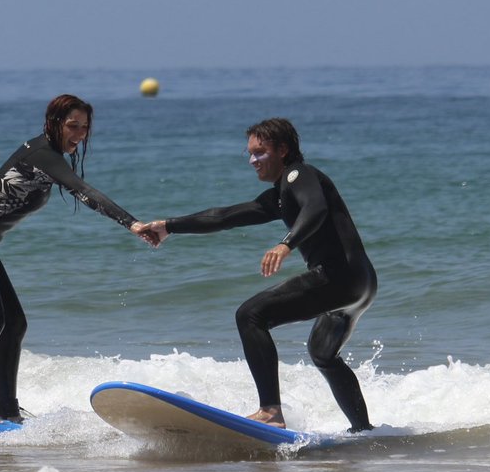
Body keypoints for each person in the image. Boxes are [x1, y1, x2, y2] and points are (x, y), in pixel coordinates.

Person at [133, 118, 377, 432]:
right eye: (250, 154)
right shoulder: (280, 196)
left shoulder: (299, 174)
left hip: (339, 277)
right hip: (361, 284)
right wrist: (169, 226)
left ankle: (270, 412)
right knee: (323, 353)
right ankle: (364, 431)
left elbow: (315, 210)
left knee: (251, 315)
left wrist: (285, 244)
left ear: (283, 150)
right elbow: (224, 217)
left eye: (260, 152)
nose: (252, 161)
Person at [0, 94, 156, 423]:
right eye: (73, 126)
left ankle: (8, 411)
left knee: (14, 323)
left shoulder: (50, 155)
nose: (79, 134)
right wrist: (132, 222)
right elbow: (83, 190)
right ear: (54, 122)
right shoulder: (43, 154)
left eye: (84, 128)